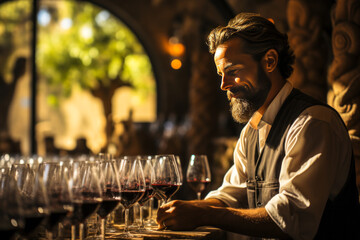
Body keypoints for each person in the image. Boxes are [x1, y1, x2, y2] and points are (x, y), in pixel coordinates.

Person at [156, 13, 360, 239]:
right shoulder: (251, 132)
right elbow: (232, 194)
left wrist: (204, 216)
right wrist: (190, 208)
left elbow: (290, 217)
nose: (224, 85)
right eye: (221, 74)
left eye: (233, 71)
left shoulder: (312, 123)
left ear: (270, 61)